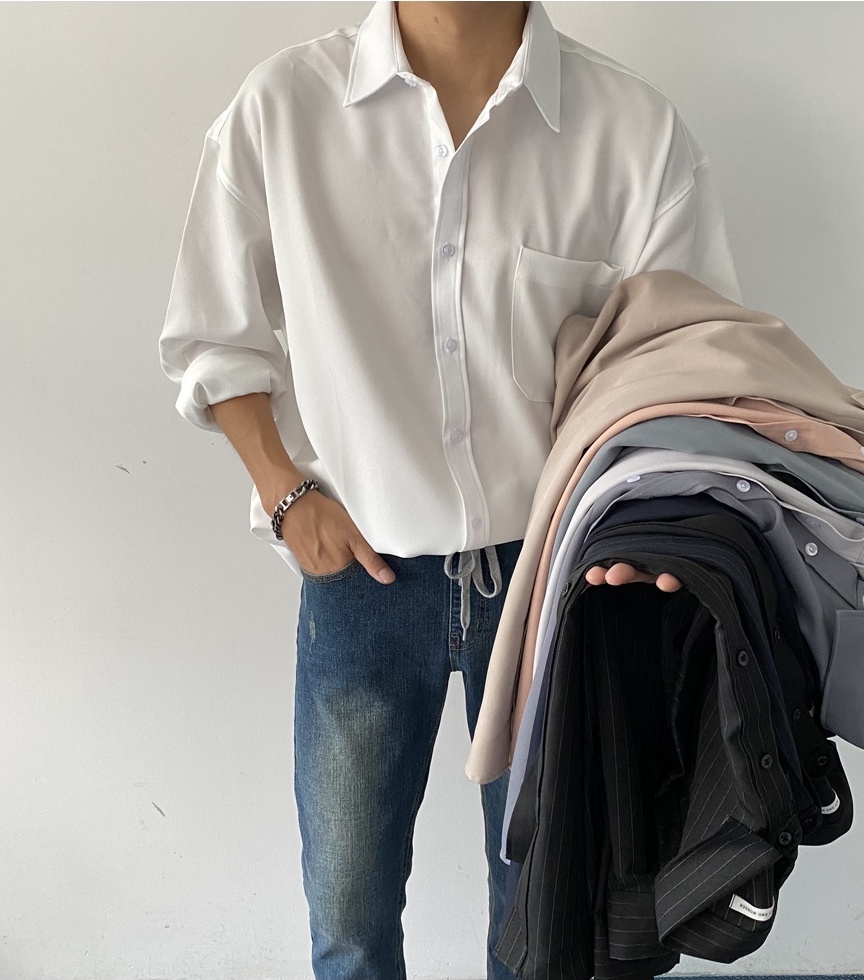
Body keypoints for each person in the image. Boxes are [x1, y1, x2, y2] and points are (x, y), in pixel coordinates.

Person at [158, 2, 742, 977]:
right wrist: (285, 494)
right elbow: (213, 334)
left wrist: (647, 532)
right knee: (348, 911)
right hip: (362, 573)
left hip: (557, 583)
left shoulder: (630, 130)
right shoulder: (284, 109)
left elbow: (684, 365)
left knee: (545, 916)